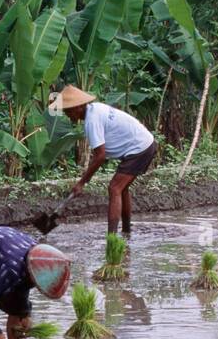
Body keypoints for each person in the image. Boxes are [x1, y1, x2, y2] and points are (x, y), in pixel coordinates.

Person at [52, 85, 158, 235]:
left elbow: (100, 156)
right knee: (122, 188)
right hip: (143, 144)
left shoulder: (91, 121)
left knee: (114, 188)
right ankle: (126, 231)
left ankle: (112, 238)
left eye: (68, 111)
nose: (67, 115)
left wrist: (82, 182)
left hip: (140, 148)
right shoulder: (95, 108)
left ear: (78, 107)